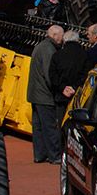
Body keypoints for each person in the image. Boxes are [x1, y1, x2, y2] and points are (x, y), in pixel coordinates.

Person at [28, 25, 65, 163]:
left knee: (38, 127)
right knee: (50, 126)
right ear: (55, 35)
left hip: (35, 94)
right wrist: (58, 89)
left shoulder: (40, 46)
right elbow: (49, 74)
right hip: (44, 95)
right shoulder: (49, 50)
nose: (62, 40)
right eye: (61, 36)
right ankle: (54, 155)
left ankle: (39, 154)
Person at [49, 28, 89, 128]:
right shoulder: (85, 56)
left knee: (60, 125)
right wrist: (74, 88)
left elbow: (53, 75)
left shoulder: (57, 55)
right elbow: (85, 76)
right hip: (78, 97)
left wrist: (63, 88)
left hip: (61, 96)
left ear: (64, 41)